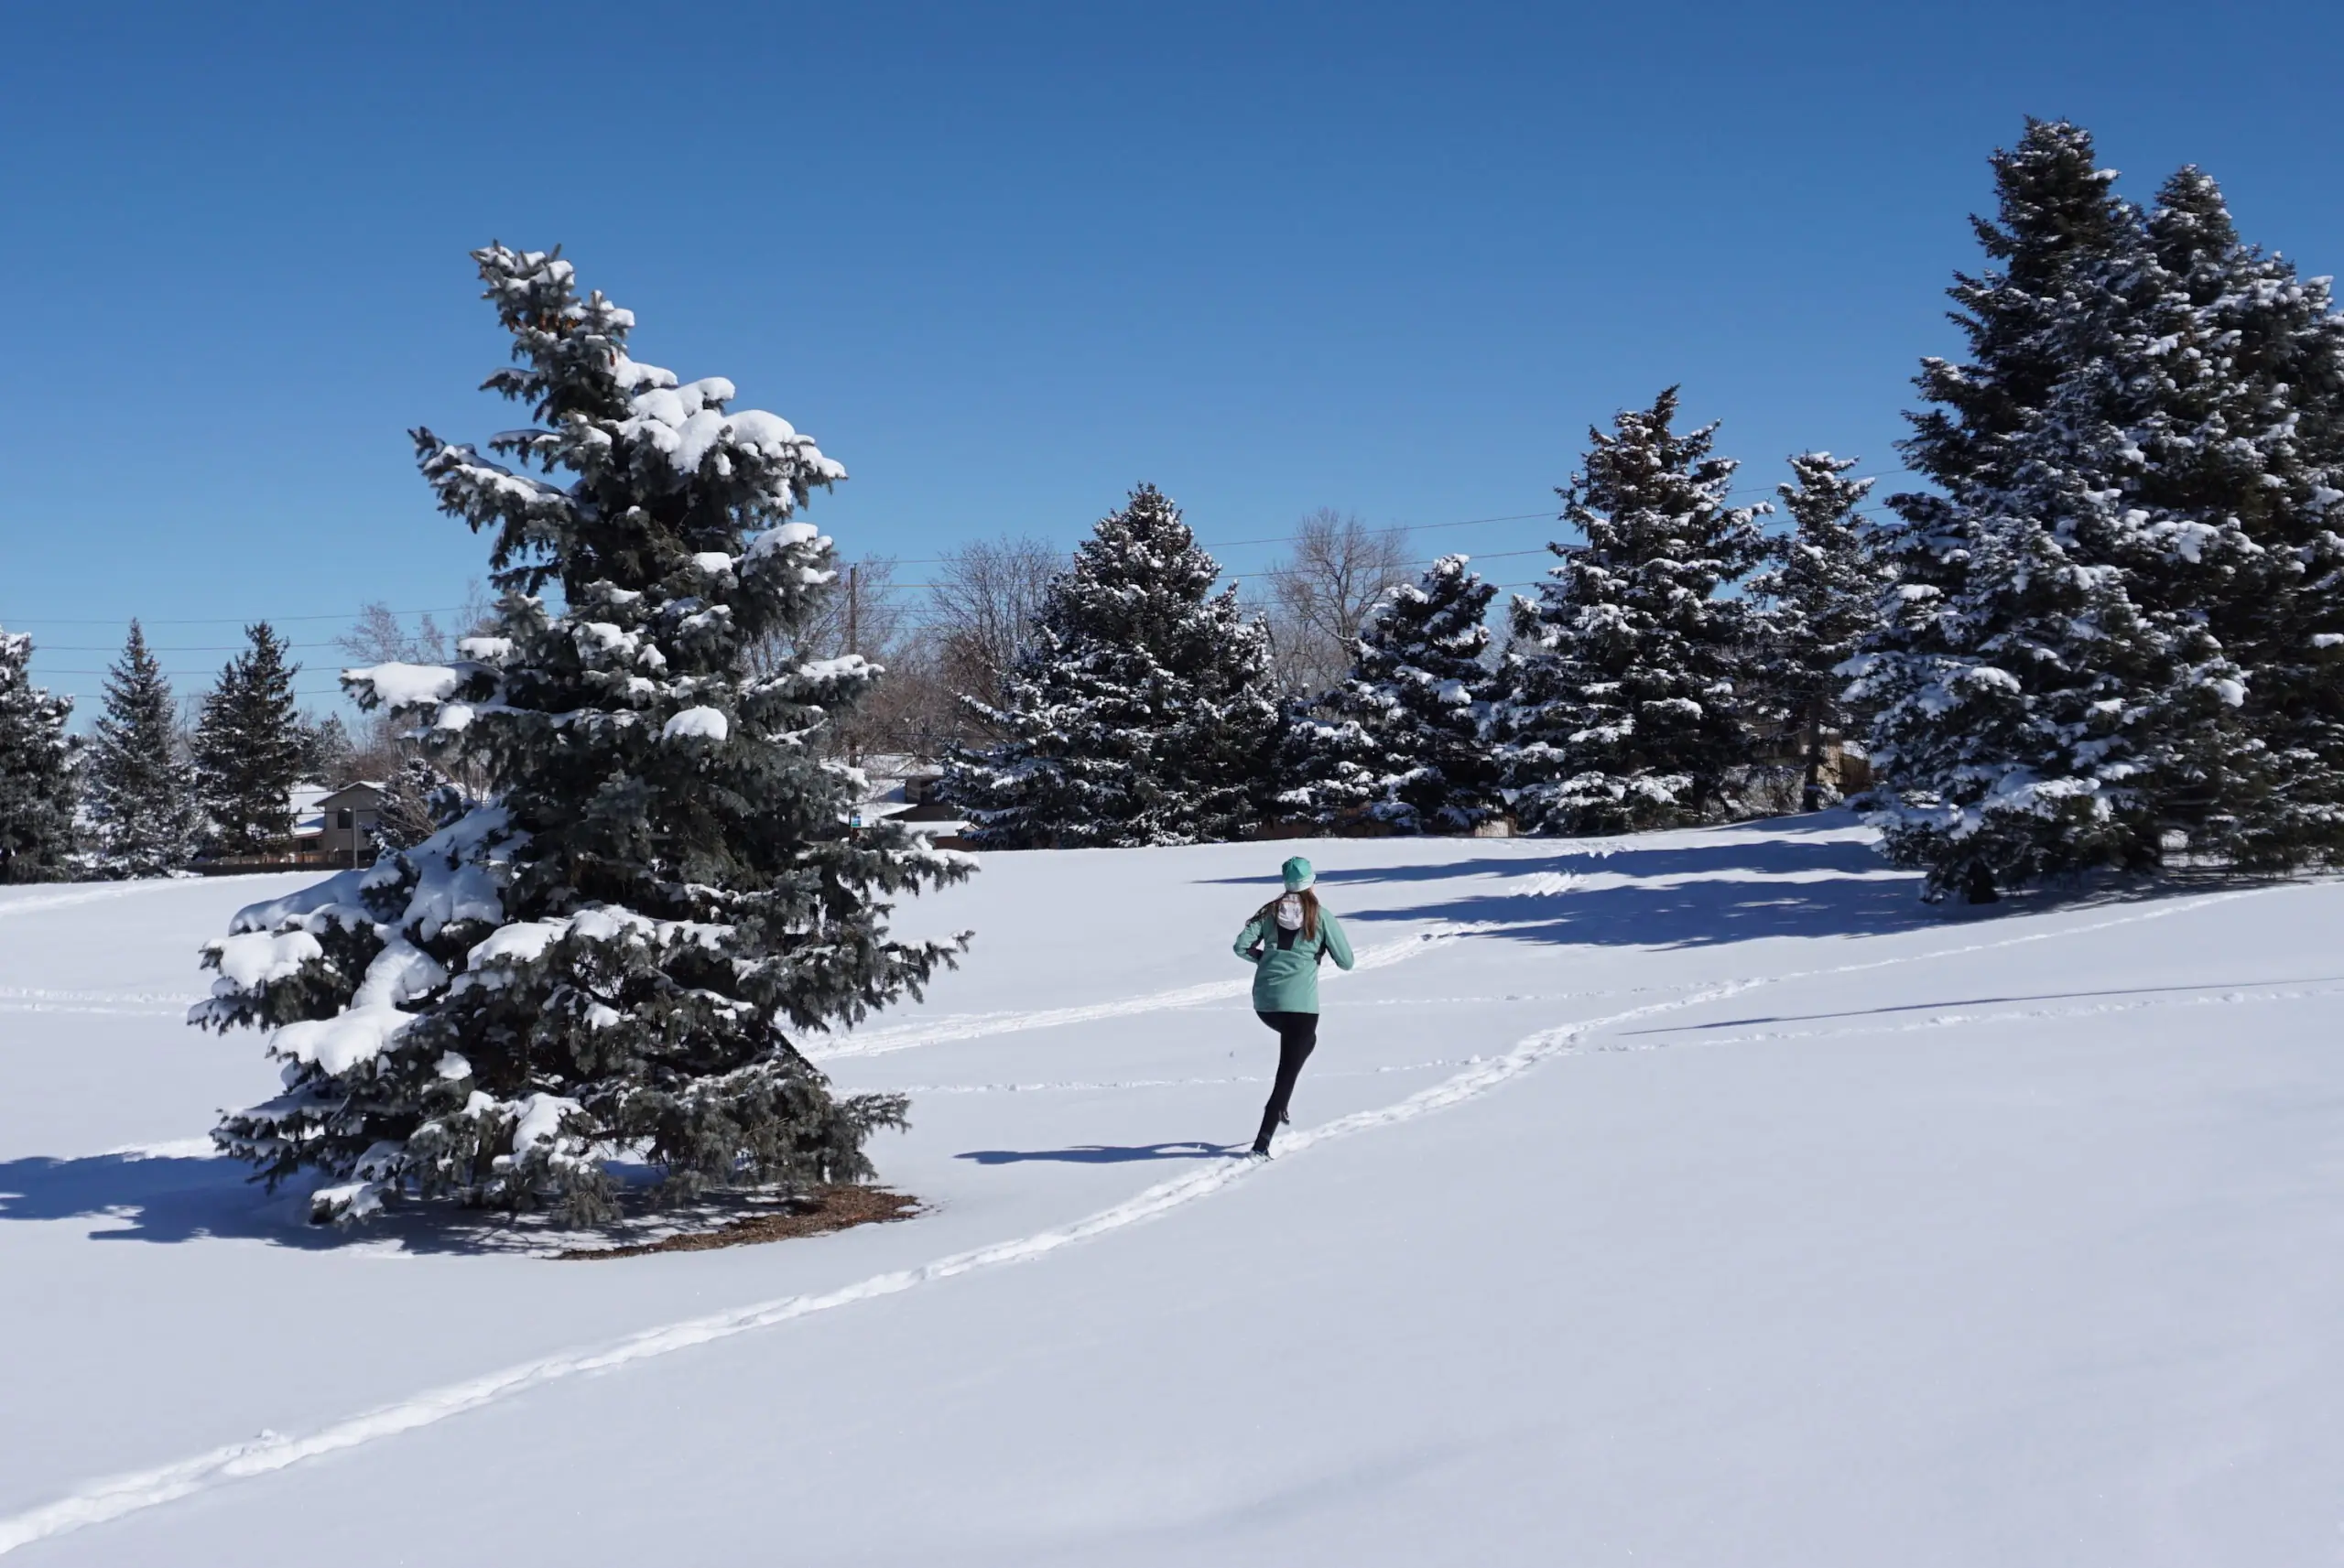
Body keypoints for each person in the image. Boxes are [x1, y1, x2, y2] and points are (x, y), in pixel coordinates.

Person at [1232, 855, 1354, 1155]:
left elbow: (1240, 946)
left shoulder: (1270, 912)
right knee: (1286, 1072)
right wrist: (1318, 950)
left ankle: (1281, 1104)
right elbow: (1347, 962)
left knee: (1306, 1044)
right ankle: (1261, 1144)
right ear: (1312, 883)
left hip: (1265, 1004)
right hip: (1300, 1006)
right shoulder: (1321, 916)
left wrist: (1265, 958)